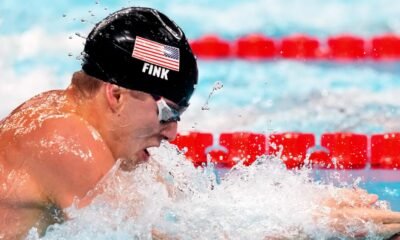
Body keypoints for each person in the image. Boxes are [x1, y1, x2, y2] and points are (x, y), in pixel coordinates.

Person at [0, 6, 399, 240]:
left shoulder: (88, 124)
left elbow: (190, 212)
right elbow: (168, 236)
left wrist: (319, 208)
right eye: (167, 113)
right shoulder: (63, 141)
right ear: (116, 94)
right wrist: (326, 230)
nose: (173, 132)